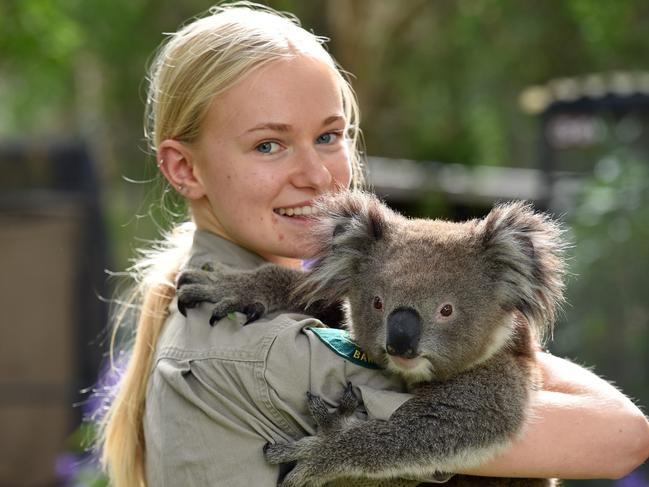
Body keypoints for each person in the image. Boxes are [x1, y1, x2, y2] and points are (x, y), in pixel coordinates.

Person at [98, 2, 649, 486]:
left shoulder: (214, 301)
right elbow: (621, 434)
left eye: (328, 136)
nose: (313, 173)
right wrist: (501, 341)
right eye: (268, 144)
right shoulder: (274, 351)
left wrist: (496, 334)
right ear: (183, 167)